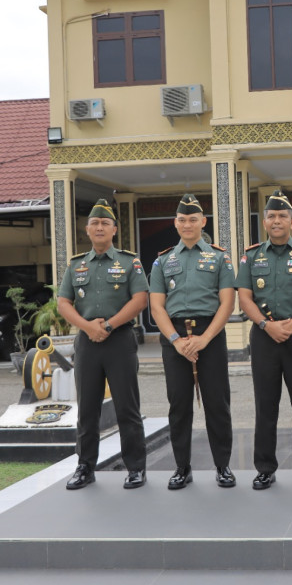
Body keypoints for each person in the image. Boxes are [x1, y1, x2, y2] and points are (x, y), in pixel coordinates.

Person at [236, 190, 292, 490]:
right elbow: (245, 298)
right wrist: (266, 324)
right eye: (272, 216)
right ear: (264, 222)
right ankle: (265, 467)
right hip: (264, 337)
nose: (277, 221)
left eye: (282, 216)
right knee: (266, 405)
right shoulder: (251, 256)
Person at [57, 199, 150, 490]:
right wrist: (88, 327)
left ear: (114, 230)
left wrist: (109, 325)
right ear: (87, 230)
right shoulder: (76, 265)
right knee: (87, 409)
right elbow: (63, 302)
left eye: (105, 223)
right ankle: (85, 467)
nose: (99, 227)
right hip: (87, 342)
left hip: (119, 339)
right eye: (95, 223)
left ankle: (136, 468)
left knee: (127, 407)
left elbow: (140, 300)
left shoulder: (128, 262)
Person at [149, 194, 236, 490]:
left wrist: (205, 338)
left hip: (209, 334)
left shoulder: (219, 257)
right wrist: (175, 341)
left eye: (193, 219)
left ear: (203, 222)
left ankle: (223, 466)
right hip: (174, 338)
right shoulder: (162, 261)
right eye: (182, 220)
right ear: (175, 223)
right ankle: (181, 467)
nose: (187, 224)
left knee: (217, 403)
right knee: (179, 405)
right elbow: (157, 306)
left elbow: (227, 302)